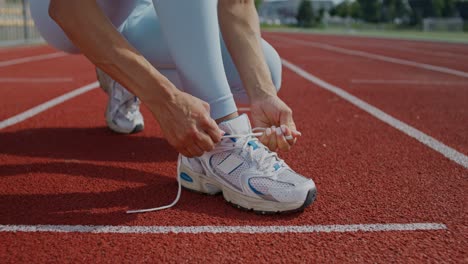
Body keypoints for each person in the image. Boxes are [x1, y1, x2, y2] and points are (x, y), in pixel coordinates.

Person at [30, 0, 316, 214]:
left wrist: (262, 94)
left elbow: (236, 4)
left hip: (138, 13)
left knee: (267, 68)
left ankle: (125, 74)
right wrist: (164, 99)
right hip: (69, 9)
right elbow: (67, 10)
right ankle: (223, 141)